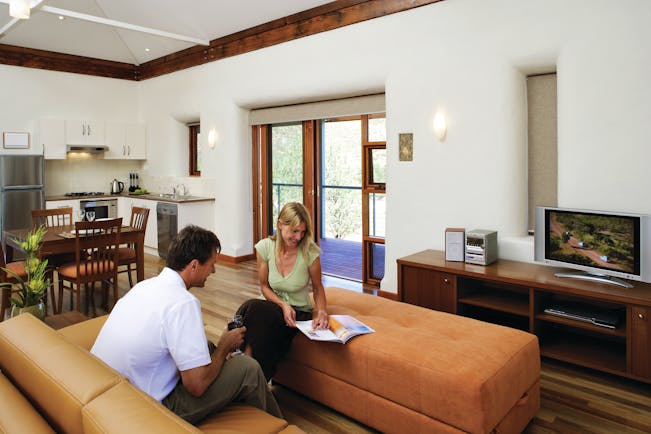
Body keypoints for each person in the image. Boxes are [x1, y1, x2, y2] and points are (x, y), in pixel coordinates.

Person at [91, 225, 282, 424]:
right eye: (211, 264)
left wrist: (217, 352)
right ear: (193, 266)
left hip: (111, 391)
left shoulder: (143, 286)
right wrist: (224, 346)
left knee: (207, 347)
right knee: (247, 368)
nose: (214, 270)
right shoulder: (183, 303)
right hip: (147, 407)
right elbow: (196, 386)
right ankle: (278, 426)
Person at [235, 202, 328, 380]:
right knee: (257, 314)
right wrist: (282, 304)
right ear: (279, 224)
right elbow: (264, 286)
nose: (299, 237)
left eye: (302, 232)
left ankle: (239, 360)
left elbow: (318, 287)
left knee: (253, 311)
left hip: (298, 313)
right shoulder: (265, 248)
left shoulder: (310, 251)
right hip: (270, 306)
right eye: (294, 231)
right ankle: (253, 377)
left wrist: (321, 311)